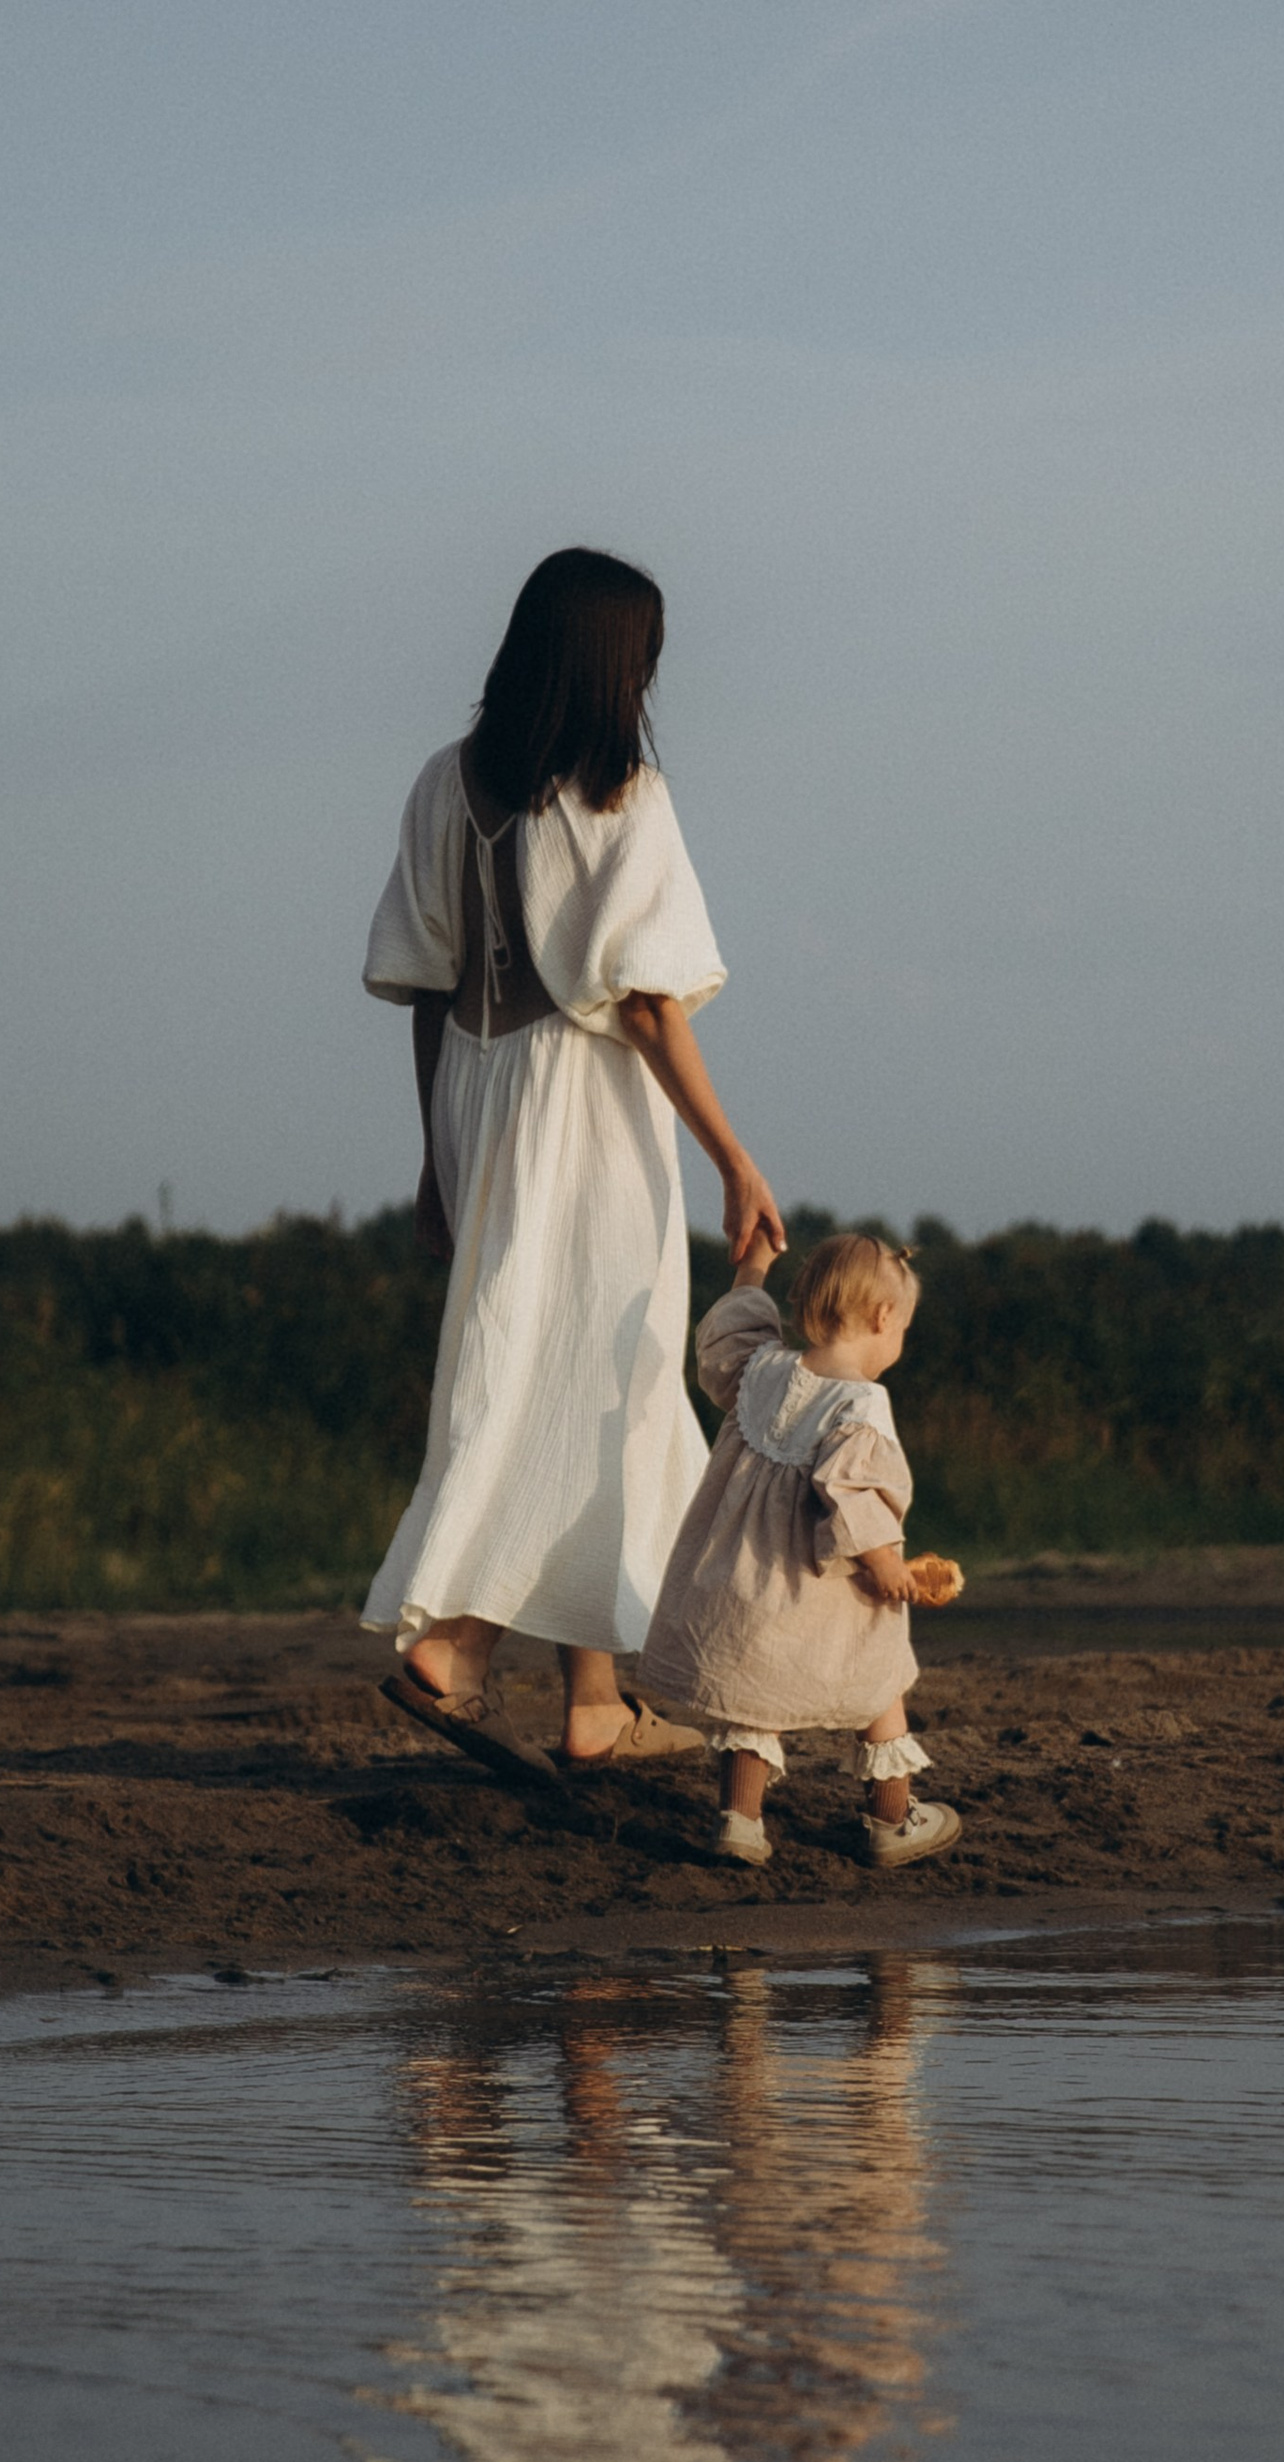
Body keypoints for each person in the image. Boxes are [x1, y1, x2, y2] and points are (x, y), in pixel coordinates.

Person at [360, 547, 785, 1781]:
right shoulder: (621, 797)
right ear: (610, 665)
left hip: (478, 1096)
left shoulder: (444, 784)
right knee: (606, 1378)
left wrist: (436, 1157)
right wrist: (734, 1158)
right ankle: (458, 1646)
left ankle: (594, 1700)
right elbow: (647, 1005)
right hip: (588, 1108)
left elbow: (427, 988)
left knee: (531, 1369)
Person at [635, 1228, 965, 1869]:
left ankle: (739, 1823)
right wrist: (885, 1564)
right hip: (821, 1592)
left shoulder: (762, 1370)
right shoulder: (863, 1404)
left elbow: (726, 1338)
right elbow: (851, 1494)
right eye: (903, 1329)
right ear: (883, 1317)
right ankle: (892, 1819)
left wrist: (754, 1266)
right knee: (879, 1676)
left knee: (749, 1697)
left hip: (743, 1581)